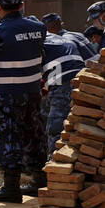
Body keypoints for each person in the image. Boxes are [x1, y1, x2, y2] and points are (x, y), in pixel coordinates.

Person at [0, 0, 48, 202]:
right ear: (21, 5)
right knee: (34, 132)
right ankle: (39, 179)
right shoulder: (39, 28)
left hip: (7, 94)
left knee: (8, 136)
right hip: (32, 92)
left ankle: (11, 188)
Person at [40, 14, 87, 161]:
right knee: (80, 124)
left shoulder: (41, 42)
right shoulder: (67, 39)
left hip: (62, 83)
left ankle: (56, 164)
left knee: (56, 127)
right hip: (82, 82)